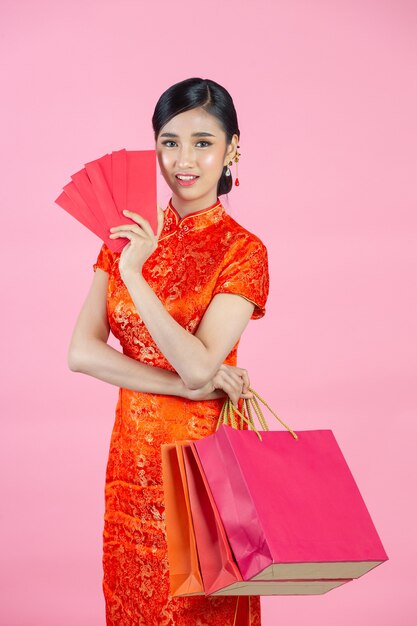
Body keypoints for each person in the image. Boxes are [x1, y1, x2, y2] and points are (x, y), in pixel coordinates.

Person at [68, 77, 269, 626]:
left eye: (204, 142)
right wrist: (182, 386)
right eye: (170, 141)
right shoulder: (124, 234)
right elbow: (82, 352)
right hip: (131, 469)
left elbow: (201, 363)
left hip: (203, 471)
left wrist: (135, 276)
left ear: (231, 149)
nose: (185, 159)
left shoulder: (243, 251)